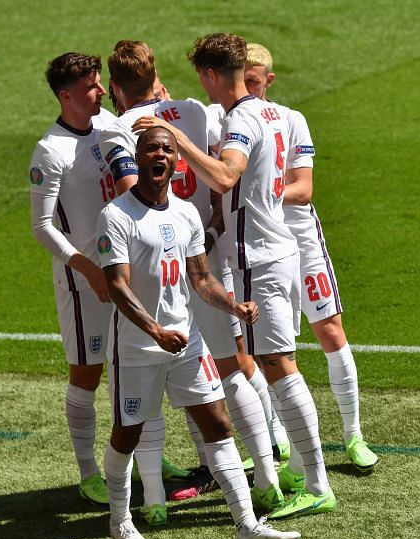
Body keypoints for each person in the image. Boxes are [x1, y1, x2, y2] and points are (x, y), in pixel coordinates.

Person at [133, 32, 335, 520]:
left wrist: (176, 137)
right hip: (274, 250)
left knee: (279, 367)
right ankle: (300, 473)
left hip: (261, 259)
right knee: (271, 365)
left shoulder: (242, 118)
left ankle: (316, 482)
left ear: (208, 75)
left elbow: (225, 176)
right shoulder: (268, 112)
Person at [96, 125, 301, 539]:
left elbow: (201, 278)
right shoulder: (116, 216)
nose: (160, 155)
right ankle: (120, 521)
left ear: (176, 161)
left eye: (167, 150)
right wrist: (154, 330)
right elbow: (116, 285)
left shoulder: (187, 213)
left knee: (218, 424)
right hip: (138, 350)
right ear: (140, 158)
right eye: (151, 148)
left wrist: (233, 307)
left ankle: (247, 527)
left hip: (186, 343)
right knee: (127, 435)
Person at [100, 40, 284, 511]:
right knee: (231, 370)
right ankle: (267, 473)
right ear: (157, 74)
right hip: (206, 251)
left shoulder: (119, 128)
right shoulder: (197, 111)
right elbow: (222, 167)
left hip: (159, 266)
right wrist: (217, 213)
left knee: (154, 393)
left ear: (116, 88)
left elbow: (136, 194)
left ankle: (153, 499)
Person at [28, 52, 186, 509]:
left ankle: (145, 455)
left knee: (133, 366)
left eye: (101, 84)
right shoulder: (50, 150)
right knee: (88, 373)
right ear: (66, 95)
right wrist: (85, 267)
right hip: (83, 283)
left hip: (123, 272)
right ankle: (88, 473)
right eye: (92, 87)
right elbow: (42, 227)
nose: (102, 92)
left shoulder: (110, 128)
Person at [243, 44, 379, 490]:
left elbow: (302, 189)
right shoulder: (230, 121)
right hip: (258, 244)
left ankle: (354, 435)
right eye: (242, 79)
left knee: (331, 330)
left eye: (256, 80)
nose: (249, 87)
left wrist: (259, 189)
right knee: (266, 349)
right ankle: (282, 441)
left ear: (269, 80)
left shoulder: (291, 118)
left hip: (299, 236)